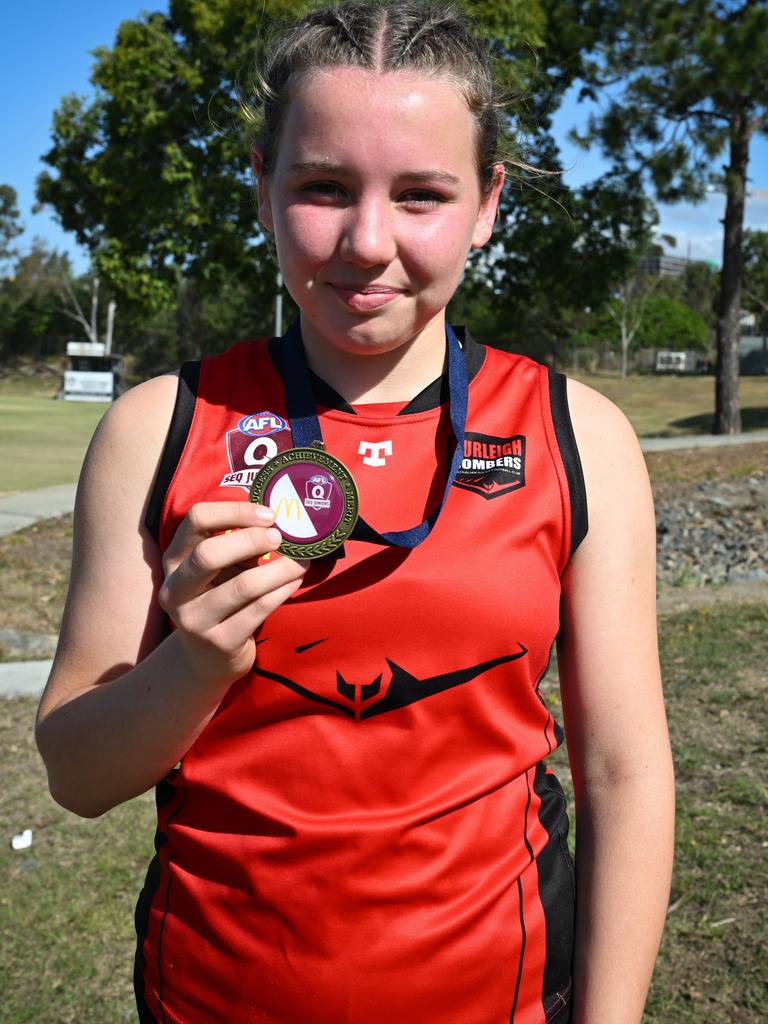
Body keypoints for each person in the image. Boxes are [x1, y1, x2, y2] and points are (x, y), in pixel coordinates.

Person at [35, 2, 675, 1022]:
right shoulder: (159, 427)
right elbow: (76, 772)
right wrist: (192, 663)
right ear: (261, 187)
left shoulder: (575, 433)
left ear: (488, 203)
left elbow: (624, 770)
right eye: (324, 188)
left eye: (422, 195)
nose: (367, 243)